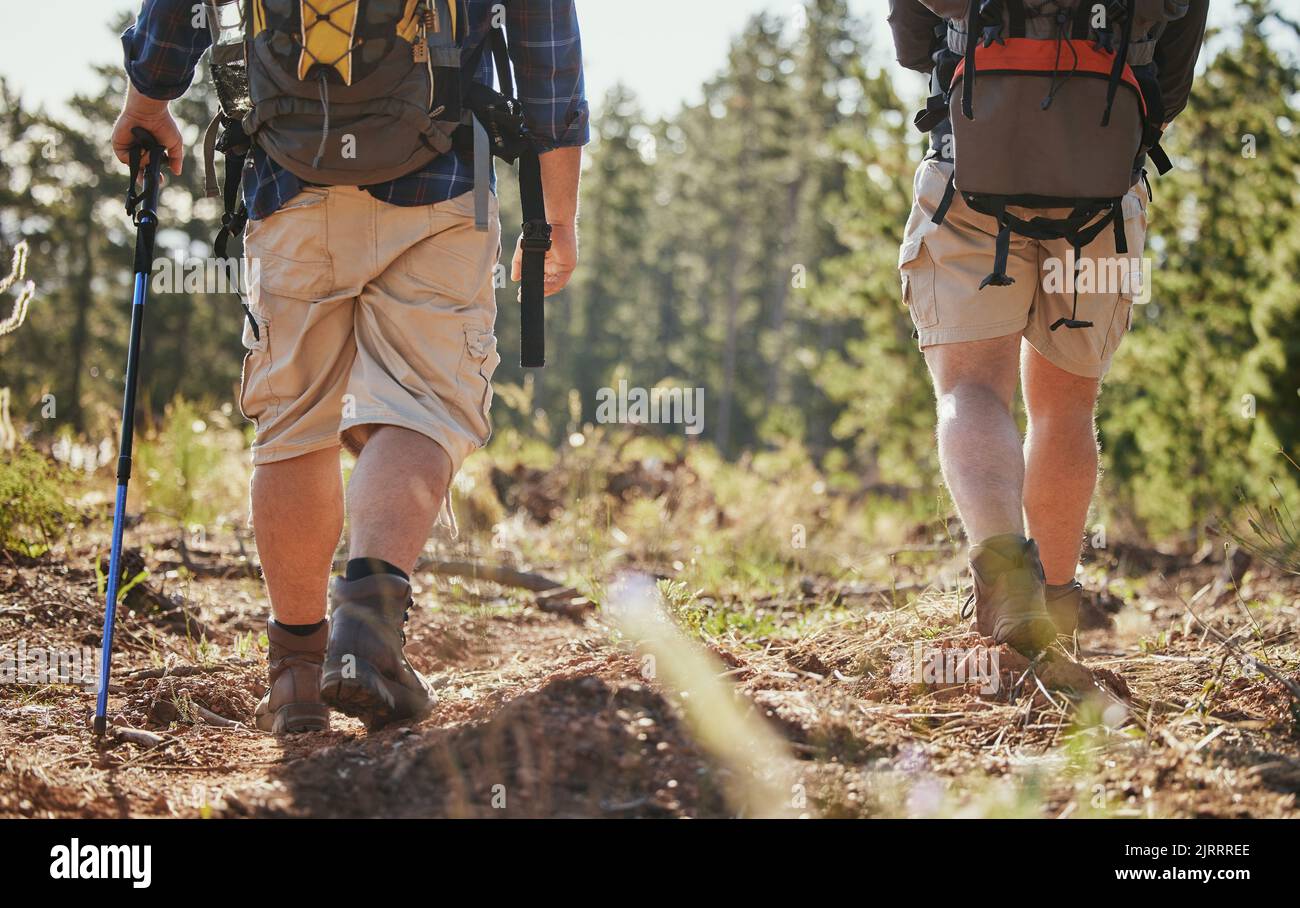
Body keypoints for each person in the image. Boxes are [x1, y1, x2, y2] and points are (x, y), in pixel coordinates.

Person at [112, 0, 589, 732]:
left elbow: (179, 12)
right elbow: (544, 36)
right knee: (424, 408)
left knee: (294, 423)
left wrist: (148, 101)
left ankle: (296, 681)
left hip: (290, 177)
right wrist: (557, 215)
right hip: (443, 176)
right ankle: (366, 634)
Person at [887, 0, 1207, 652]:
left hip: (967, 174)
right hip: (1104, 190)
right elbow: (1174, 71)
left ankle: (1009, 590)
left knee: (971, 389)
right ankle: (1055, 605)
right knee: (1065, 406)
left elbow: (912, 42)